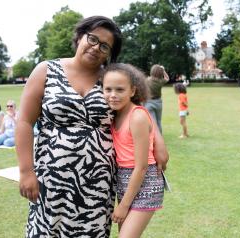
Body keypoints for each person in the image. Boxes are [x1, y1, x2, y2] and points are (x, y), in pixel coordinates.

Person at [15, 16, 168, 237]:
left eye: (105, 46)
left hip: (98, 184)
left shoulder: (110, 79)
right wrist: (26, 171)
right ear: (80, 36)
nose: (96, 48)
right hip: (51, 179)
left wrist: (159, 142)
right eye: (93, 39)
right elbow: (24, 122)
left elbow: (137, 109)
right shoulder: (46, 70)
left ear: (110, 54)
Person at [102, 63, 164, 238]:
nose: (113, 95)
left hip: (145, 181)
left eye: (120, 90)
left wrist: (123, 206)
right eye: (108, 89)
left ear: (132, 91)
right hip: (124, 181)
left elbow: (142, 167)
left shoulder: (136, 116)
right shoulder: (115, 113)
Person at [144, 64, 169, 134]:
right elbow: (167, 78)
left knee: (153, 122)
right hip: (158, 102)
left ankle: (155, 139)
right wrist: (163, 70)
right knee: (158, 121)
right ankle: (159, 137)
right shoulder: (161, 81)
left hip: (148, 103)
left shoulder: (147, 80)